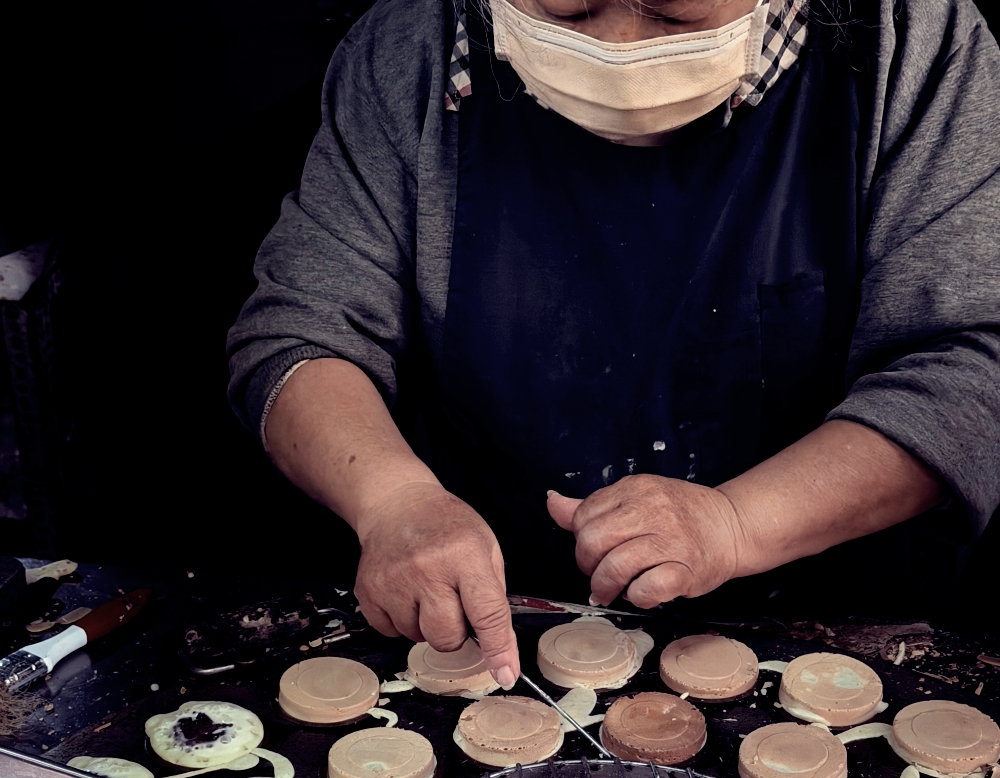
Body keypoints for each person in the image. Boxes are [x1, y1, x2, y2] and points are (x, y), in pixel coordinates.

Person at [228, 0, 1000, 687]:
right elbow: (302, 333)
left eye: (673, 14)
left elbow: (972, 373)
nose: (620, 51)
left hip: (823, 636)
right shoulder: (413, 49)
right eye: (567, 12)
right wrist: (393, 499)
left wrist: (736, 523)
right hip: (488, 632)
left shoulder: (913, 45)